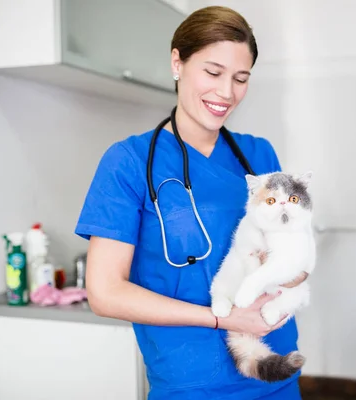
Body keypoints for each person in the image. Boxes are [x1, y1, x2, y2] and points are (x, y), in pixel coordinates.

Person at [74, 5, 308, 400]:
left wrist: (291, 273)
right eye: (213, 73)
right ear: (177, 62)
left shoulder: (258, 157)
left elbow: (295, 255)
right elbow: (104, 292)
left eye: (241, 78)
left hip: (274, 373)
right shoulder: (129, 162)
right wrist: (222, 317)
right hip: (190, 385)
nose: (226, 93)